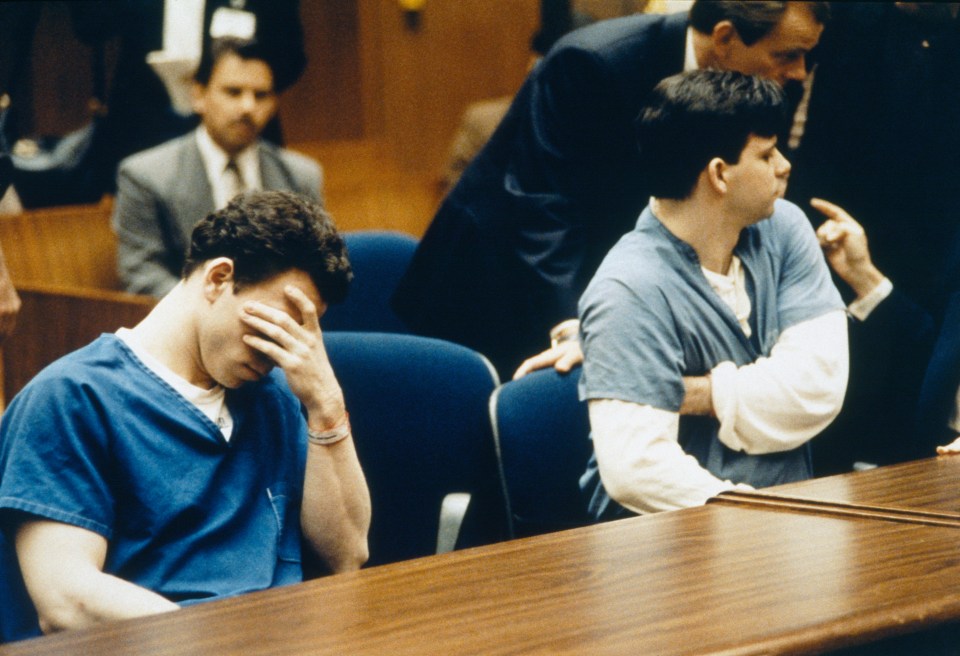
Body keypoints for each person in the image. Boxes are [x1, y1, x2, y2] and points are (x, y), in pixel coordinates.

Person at [393, 1, 828, 379]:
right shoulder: (594, 62)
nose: (798, 72)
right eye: (787, 55)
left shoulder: (764, 87)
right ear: (725, 38)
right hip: (497, 282)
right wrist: (585, 327)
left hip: (597, 268)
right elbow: (543, 211)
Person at [0, 190, 370, 635]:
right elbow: (67, 600)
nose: (282, 349)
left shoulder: (276, 393)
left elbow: (346, 555)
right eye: (277, 323)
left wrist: (326, 405)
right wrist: (218, 640)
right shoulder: (71, 398)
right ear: (218, 278)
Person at [578, 70, 847, 519]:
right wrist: (760, 519)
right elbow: (637, 469)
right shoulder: (627, 289)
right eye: (766, 154)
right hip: (670, 544)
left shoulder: (784, 227)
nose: (784, 166)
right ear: (720, 175)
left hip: (791, 524)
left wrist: (702, 393)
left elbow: (818, 388)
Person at [112, 36, 323, 298]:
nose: (248, 107)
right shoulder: (145, 175)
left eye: (261, 95)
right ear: (198, 95)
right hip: (188, 328)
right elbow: (142, 274)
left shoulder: (301, 176)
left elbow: (315, 268)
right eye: (233, 92)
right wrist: (220, 312)